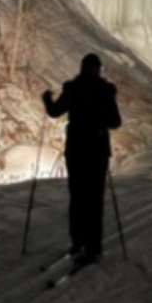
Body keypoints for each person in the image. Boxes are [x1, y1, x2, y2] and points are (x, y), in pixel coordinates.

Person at [43, 53, 122, 264]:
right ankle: (93, 247)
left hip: (76, 152)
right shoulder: (105, 91)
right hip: (97, 152)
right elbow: (115, 122)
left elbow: (53, 112)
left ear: (82, 68)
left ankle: (77, 241)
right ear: (98, 69)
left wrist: (46, 98)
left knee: (77, 198)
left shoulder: (73, 89)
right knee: (94, 201)